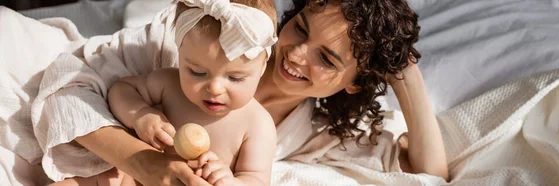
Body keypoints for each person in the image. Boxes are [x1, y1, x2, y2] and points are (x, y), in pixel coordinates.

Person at [0, 0, 447, 185]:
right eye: (300, 30)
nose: (295, 55)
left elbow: (428, 171)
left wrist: (399, 67)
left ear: (354, 80)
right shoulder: (201, 39)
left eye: (326, 60)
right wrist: (145, 159)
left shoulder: (317, 131)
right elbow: (72, 89)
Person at [49, 0, 278, 185]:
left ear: (262, 67)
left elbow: (256, 178)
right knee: (94, 179)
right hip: (133, 178)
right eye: (197, 72)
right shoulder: (169, 83)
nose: (215, 88)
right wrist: (140, 114)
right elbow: (122, 89)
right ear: (180, 53)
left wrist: (228, 181)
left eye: (235, 78)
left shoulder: (257, 124)